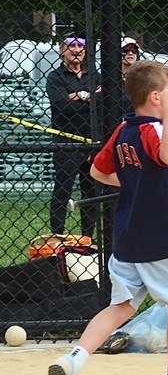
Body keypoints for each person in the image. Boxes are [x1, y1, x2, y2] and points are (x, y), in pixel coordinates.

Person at [46, 61, 168, 375]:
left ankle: (74, 359)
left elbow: (98, 171)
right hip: (164, 236)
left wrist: (138, 180)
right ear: (155, 97)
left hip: (129, 237)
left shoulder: (124, 130)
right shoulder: (156, 129)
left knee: (121, 306)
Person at [44, 33, 103, 240]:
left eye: (81, 46)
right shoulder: (55, 77)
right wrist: (89, 96)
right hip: (66, 142)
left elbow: (104, 100)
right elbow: (62, 107)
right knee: (62, 191)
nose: (77, 50)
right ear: (62, 50)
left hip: (92, 142)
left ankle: (87, 238)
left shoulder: (95, 75)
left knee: (91, 193)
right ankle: (57, 236)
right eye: (72, 45)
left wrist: (76, 96)